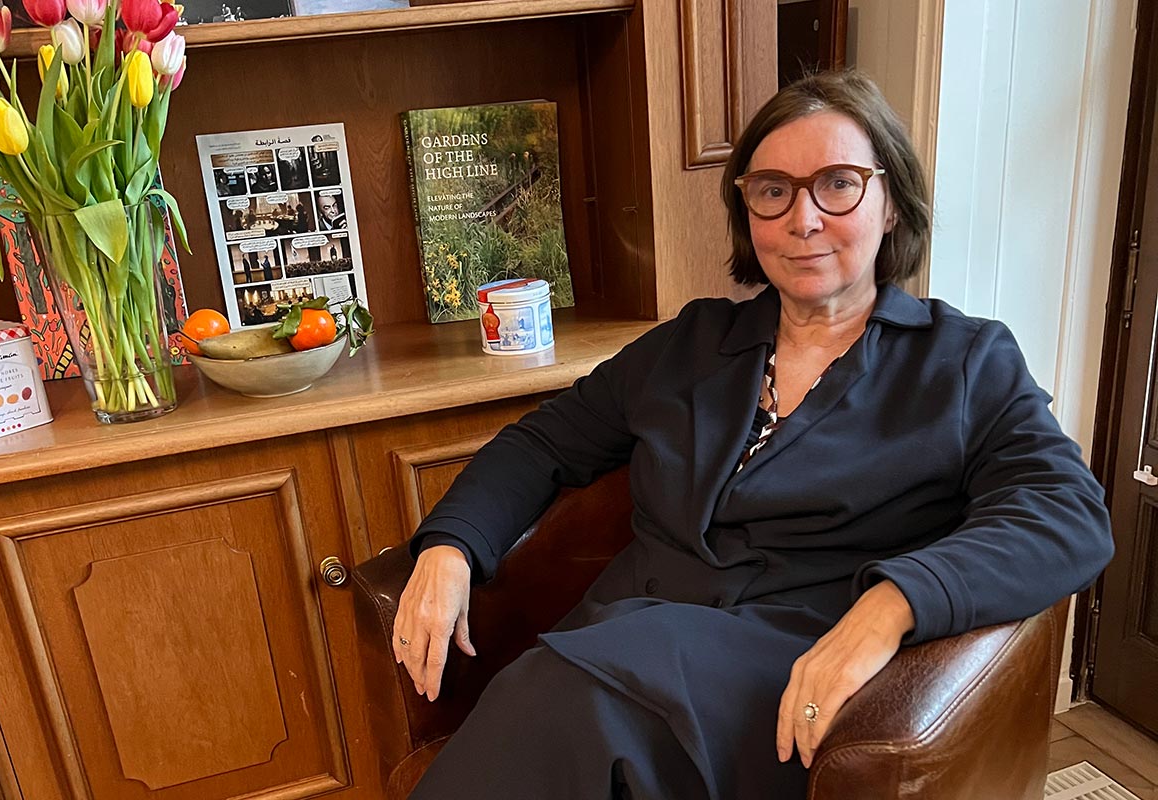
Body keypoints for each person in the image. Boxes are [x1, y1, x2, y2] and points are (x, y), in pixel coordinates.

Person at [396, 70, 1115, 799]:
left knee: (557, 710)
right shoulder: (690, 343)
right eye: (773, 189)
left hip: (783, 671)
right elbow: (542, 444)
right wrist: (451, 548)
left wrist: (890, 607)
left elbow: (1067, 513)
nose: (802, 219)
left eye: (838, 184)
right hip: (618, 648)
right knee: (552, 706)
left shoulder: (961, 362)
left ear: (891, 203)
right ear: (748, 211)